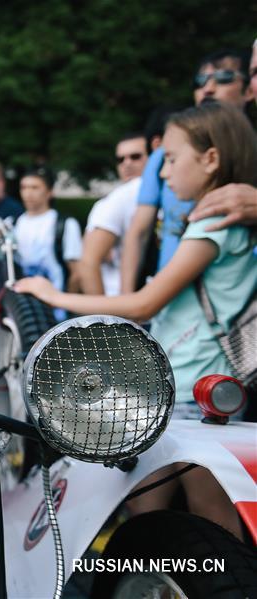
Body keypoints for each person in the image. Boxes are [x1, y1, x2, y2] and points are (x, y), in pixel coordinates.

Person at [17, 103, 256, 540]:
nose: (162, 174)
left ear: (211, 159)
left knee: (192, 515)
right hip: (195, 389)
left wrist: (53, 295)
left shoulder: (213, 226)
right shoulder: (225, 224)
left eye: (170, 158)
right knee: (169, 509)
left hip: (192, 391)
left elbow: (145, 303)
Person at [121, 48, 254, 293]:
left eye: (224, 78)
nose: (209, 88)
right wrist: (127, 302)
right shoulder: (162, 157)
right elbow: (138, 232)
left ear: (249, 90)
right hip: (170, 303)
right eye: (200, 81)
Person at [77, 133, 148, 295]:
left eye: (135, 157)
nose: (127, 164)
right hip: (119, 303)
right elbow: (88, 263)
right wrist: (106, 318)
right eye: (120, 159)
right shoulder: (119, 197)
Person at [13, 167, 82, 311]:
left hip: (58, 311)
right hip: (26, 309)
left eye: (35, 187)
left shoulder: (65, 223)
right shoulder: (14, 223)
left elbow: (76, 273)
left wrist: (66, 308)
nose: (28, 193)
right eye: (24, 187)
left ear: (50, 192)